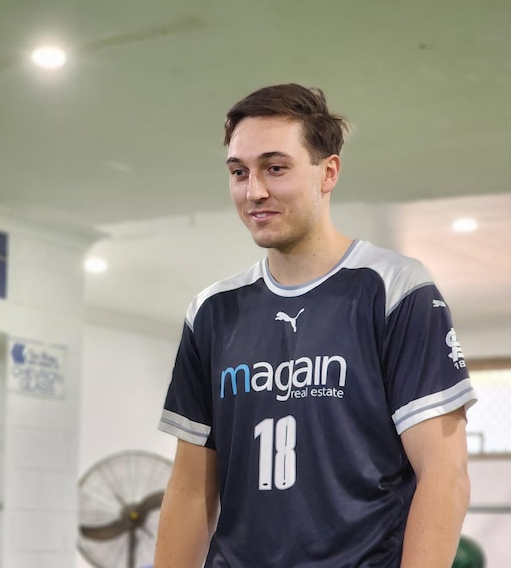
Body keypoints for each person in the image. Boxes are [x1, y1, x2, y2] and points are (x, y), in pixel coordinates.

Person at [154, 83, 477, 567]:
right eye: (239, 172)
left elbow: (444, 473)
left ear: (328, 172)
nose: (253, 190)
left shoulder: (394, 289)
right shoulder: (212, 310)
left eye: (275, 168)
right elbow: (189, 487)